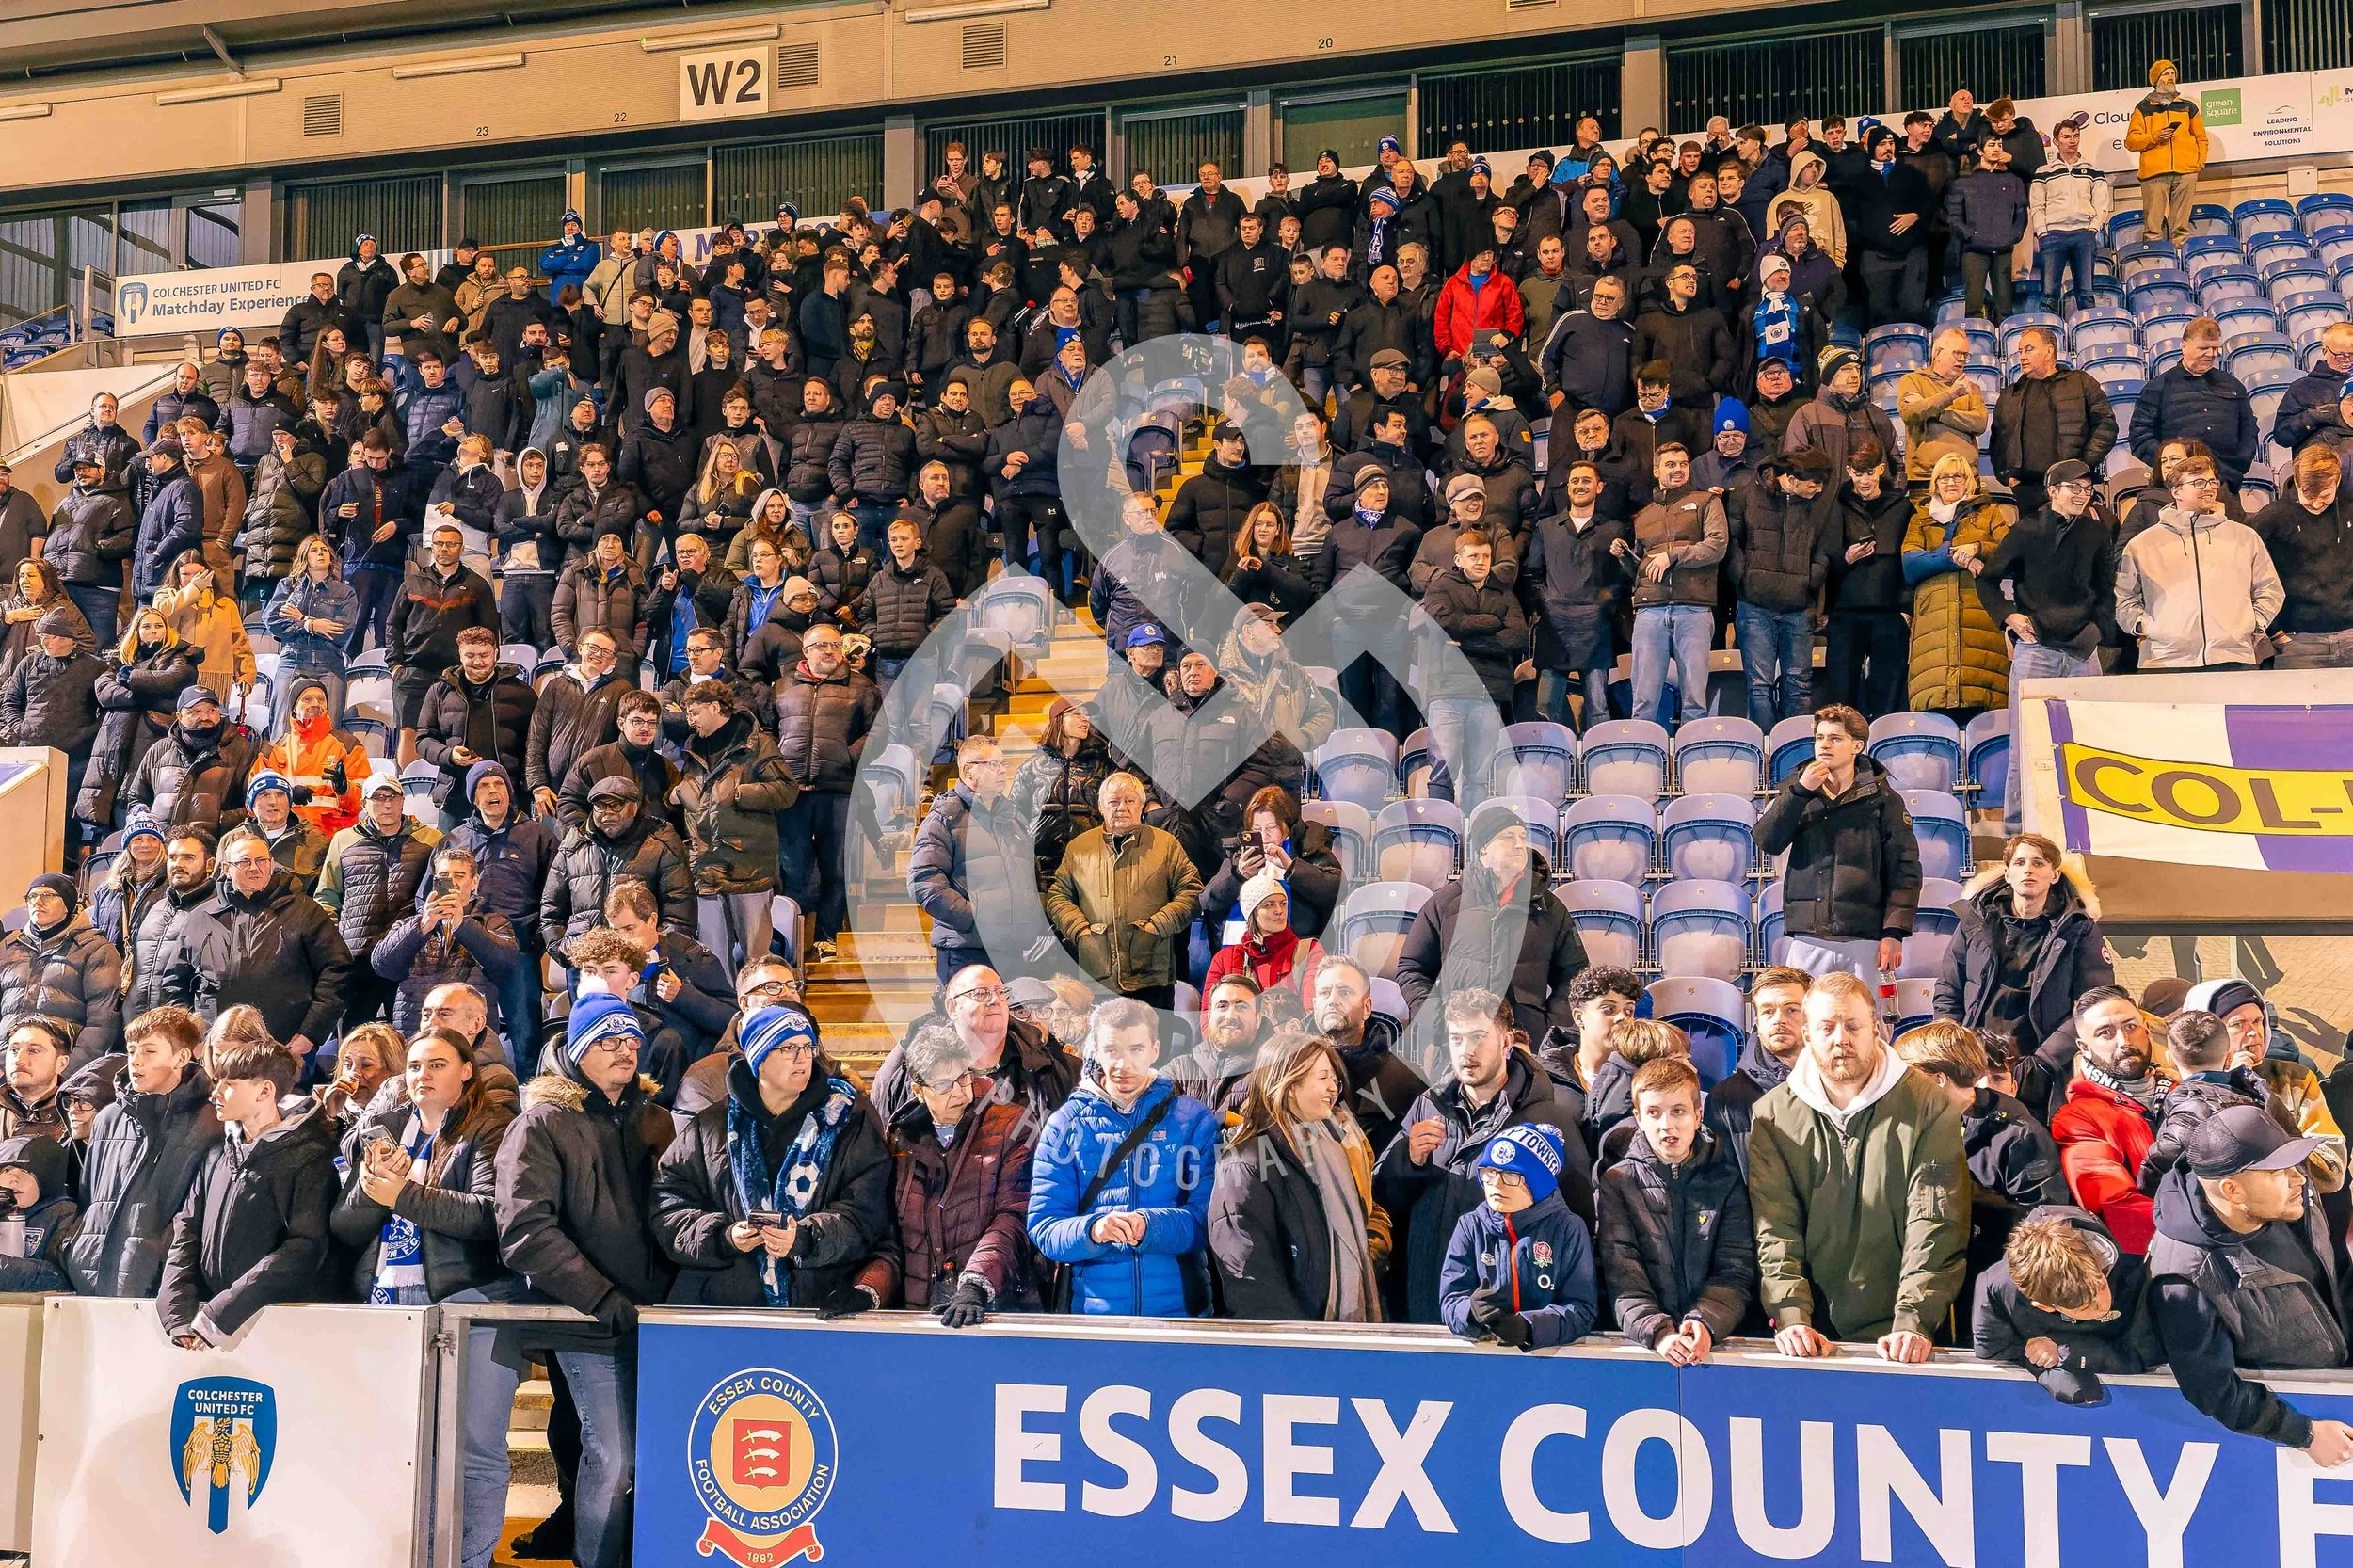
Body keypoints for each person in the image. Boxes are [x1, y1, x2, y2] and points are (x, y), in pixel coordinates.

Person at [494, 989, 678, 1568]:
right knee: (615, 1458)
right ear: (576, 1049)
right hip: (587, 1321)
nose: (625, 1049)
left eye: (631, 1040)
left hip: (660, 1320)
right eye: (608, 1039)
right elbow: (525, 1231)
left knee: (656, 1459)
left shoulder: (655, 1119)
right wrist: (601, 1297)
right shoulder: (540, 1124)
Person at [1748, 969, 1969, 1359]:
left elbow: (1935, 1221)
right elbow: (1775, 1226)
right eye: (1827, 1027)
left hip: (1903, 1333)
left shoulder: (1927, 1105)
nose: (1840, 1039)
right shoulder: (1772, 1114)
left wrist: (1913, 1320)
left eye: (1853, 1026)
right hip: (1810, 1330)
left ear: (1877, 1029)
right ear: (1807, 1036)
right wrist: (1791, 1315)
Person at [652, 1001, 889, 1311]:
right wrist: (724, 1237)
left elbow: (867, 1214)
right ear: (759, 1060)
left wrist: (805, 1238)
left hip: (820, 1306)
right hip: (730, 1311)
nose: (802, 1057)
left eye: (807, 1046)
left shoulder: (849, 1119)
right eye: (787, 1048)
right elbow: (668, 1207)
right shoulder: (710, 1126)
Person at [1376, 988, 1593, 1325]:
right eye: (1457, 1038)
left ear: (1506, 1042)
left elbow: (1577, 1220)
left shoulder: (1547, 1119)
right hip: (1427, 1297)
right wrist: (1409, 1160)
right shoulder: (1428, 1105)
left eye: (1479, 1037)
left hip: (1511, 1313)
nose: (1467, 1051)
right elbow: (1382, 1198)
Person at [2149, 1106, 2353, 1463]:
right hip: (2304, 1418)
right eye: (2280, 1171)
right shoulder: (2182, 1278)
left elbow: (2335, 1275)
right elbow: (2212, 1390)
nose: (2300, 1179)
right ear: (2233, 1190)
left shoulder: (2292, 1201)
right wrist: (2303, 1433)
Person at [1027, 999, 1220, 1316]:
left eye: (1136, 1049)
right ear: (1096, 1052)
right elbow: (1045, 1226)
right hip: (1095, 1316)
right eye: (1112, 1050)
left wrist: (1150, 1225)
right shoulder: (1065, 1124)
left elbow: (1207, 1220)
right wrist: (1092, 1230)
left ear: (1155, 1050)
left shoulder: (1193, 1119)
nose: (1123, 1064)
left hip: (1181, 1313)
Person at [852, 1022, 1038, 1323]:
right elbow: (892, 1239)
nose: (959, 1092)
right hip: (920, 1313)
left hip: (993, 1307)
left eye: (963, 1077)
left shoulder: (1010, 1124)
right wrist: (868, 1288)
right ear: (918, 1090)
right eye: (942, 1085)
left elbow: (1014, 1214)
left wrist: (976, 1282)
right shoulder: (900, 1139)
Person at [157, 1038, 338, 1348]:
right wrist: (178, 1314)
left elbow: (304, 1247)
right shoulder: (217, 1152)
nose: (215, 1093)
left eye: (228, 1084)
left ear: (265, 1091)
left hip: (280, 1330)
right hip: (209, 1324)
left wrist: (224, 1312)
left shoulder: (311, 1156)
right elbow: (187, 1229)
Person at [1969, 460, 2113, 830]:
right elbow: (1987, 581)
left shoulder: (2096, 534)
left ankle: (2088, 829)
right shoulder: (2025, 532)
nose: (2082, 495)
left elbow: (2106, 591)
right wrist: (2008, 616)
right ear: (2053, 491)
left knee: (2090, 744)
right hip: (2037, 651)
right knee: (2024, 746)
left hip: (2084, 651)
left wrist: (2096, 630)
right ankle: (2016, 834)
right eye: (2074, 488)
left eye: (2087, 490)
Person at [1599, 1056, 1756, 1362]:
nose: (1667, 1125)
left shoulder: (1726, 1179)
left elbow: (1735, 1269)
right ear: (1638, 1118)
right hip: (1649, 1347)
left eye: (1679, 1111)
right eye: (1654, 1113)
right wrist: (1657, 1331)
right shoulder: (1618, 1182)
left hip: (1715, 1343)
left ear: (1698, 1116)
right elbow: (1623, 1274)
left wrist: (1705, 1322)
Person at [61, 1005, 221, 1297]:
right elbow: (90, 1198)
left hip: (162, 1286)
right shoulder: (107, 1119)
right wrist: (78, 1251)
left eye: (149, 1052)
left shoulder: (212, 1122)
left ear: (182, 1057)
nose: (136, 1061)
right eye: (132, 1050)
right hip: (92, 1277)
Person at [1755, 704, 1920, 979]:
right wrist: (1799, 793)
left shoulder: (1884, 799)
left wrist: (1894, 933)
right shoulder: (1797, 789)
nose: (1824, 745)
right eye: (1819, 738)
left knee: (1864, 1020)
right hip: (1808, 936)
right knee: (1806, 1020)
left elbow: (1905, 869)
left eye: (1835, 738)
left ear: (1857, 746)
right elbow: (1767, 841)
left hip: (1865, 939)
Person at [1396, 803, 1586, 1041]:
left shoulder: (1549, 907)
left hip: (1528, 1042)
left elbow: (1575, 974)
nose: (1520, 845)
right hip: (1459, 1043)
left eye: (1522, 836)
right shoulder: (1445, 904)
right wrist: (1436, 1021)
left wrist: (1551, 1027)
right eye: (1507, 837)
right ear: (1483, 849)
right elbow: (1412, 968)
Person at [1935, 832, 2114, 1056]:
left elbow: (2094, 1005)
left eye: (2038, 863)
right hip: (1977, 1053)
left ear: (2055, 875)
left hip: (2045, 1060)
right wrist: (1954, 1045)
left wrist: (2045, 1062)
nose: (2028, 869)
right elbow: (1949, 988)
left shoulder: (2079, 929)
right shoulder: (1976, 921)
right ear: (2008, 874)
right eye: (2020, 862)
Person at [669, 679, 796, 979]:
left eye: (694, 712)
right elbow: (692, 794)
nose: (690, 720)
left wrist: (741, 793)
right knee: (712, 961)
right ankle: (724, 1021)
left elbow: (787, 790)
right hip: (706, 870)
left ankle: (760, 1016)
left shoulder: (757, 743)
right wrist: (676, 795)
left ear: (715, 707)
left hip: (748, 870)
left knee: (757, 960)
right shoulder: (692, 750)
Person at [1043, 773, 1202, 1012]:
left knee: (1156, 1046)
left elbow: (1191, 892)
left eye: (1130, 801)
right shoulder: (1079, 847)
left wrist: (1157, 925)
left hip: (1152, 974)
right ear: (1100, 806)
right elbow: (1057, 896)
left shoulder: (1166, 844)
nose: (1122, 808)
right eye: (1114, 801)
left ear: (1142, 805)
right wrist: (1080, 931)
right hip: (1096, 977)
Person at [1972, 1207, 2161, 1406]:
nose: (2103, 1304)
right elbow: (1992, 1351)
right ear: (2046, 1307)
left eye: (2100, 1284)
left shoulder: (2138, 1268)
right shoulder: (1997, 1290)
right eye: (2086, 1306)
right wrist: (2036, 1357)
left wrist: (2064, 1352)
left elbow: (2146, 1353)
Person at [867, 963, 1080, 1138]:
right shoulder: (920, 1067)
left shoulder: (1051, 1067)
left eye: (1001, 992)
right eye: (980, 993)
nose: (994, 999)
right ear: (952, 1007)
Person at [2115, 452, 2283, 670]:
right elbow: (2124, 599)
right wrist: (2146, 626)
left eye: (2212, 481)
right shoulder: (2143, 544)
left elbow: (2270, 590)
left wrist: (2252, 624)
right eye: (2199, 482)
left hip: (2234, 658)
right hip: (2165, 660)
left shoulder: (2245, 537)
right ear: (2176, 491)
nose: (2209, 488)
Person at [773, 621, 878, 966]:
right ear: (805, 651)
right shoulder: (783, 687)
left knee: (838, 868)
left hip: (841, 790)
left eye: (835, 645)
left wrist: (847, 757)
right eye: (821, 645)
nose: (830, 651)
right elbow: (766, 728)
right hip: (793, 793)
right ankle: (793, 942)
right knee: (797, 869)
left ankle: (827, 935)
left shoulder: (862, 687)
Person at [1438, 1122, 1597, 1350]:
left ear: (1538, 1183)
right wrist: (1470, 1311)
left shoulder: (1568, 1228)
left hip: (1550, 1363)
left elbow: (1581, 1309)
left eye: (1511, 1176)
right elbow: (1450, 1300)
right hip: (1482, 1361)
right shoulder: (1470, 1226)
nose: (1496, 1185)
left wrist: (1529, 1327)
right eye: (1489, 1173)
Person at [2183, 977, 2350, 1192]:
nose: (2254, 1032)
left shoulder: (2294, 1079)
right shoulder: (2190, 1091)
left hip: (2297, 1214)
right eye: (2237, 1024)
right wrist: (2230, 1085)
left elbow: (2331, 1170)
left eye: (2257, 1021)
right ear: (2208, 1035)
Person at [203, 825, 354, 1057]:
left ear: (272, 864)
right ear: (225, 868)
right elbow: (177, 982)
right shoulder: (202, 918)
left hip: (287, 1050)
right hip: (218, 1051)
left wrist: (311, 1033)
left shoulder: (305, 911)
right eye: (244, 862)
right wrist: (195, 1039)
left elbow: (338, 970)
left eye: (261, 861)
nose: (254, 868)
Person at [2050, 985, 2173, 1255]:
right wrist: (2212, 1225)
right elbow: (2115, 1207)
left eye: (2131, 1027)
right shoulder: (2078, 1118)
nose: (2123, 1041)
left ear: (2147, 1031)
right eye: (2105, 1033)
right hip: (2150, 1268)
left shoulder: (2181, 1091)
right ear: (2085, 1047)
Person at [540, 774, 692, 970]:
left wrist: (655, 956)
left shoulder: (661, 842)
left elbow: (679, 910)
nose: (607, 813)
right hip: (585, 964)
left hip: (641, 964)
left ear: (635, 807)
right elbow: (551, 908)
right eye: (600, 806)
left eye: (616, 805)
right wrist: (566, 952)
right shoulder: (574, 843)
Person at [908, 735, 1027, 985]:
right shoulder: (944, 819)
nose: (1002, 771)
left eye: (1003, 764)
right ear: (967, 770)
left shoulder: (1011, 817)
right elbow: (924, 881)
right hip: (966, 949)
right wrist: (975, 917)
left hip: (1013, 948)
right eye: (992, 765)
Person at [371, 842, 524, 1034]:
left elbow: (509, 967)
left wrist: (463, 925)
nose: (451, 882)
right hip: (415, 1030)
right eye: (444, 877)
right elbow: (382, 966)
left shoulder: (493, 923)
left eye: (459, 876)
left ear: (475, 882)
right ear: (434, 881)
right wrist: (421, 927)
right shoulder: (411, 924)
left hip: (469, 1033)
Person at [1621, 442, 1725, 727]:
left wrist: (1673, 556)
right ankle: (1641, 760)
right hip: (1649, 609)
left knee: (1695, 700)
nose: (1677, 469)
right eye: (1670, 464)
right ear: (1656, 471)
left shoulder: (1707, 502)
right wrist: (1624, 558)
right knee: (1643, 700)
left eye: (1682, 463)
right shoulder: (1643, 517)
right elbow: (1641, 569)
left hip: (1694, 607)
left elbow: (1716, 547)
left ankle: (1695, 761)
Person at [1992, 328, 2116, 518]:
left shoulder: (2081, 383)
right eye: (2020, 351)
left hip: (2071, 485)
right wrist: (2006, 476)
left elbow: (2106, 426)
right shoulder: (2010, 394)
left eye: (2029, 349)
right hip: (2026, 492)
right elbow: (1997, 440)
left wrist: (2081, 466)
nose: (2022, 357)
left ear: (2049, 351)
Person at [0, 872, 121, 1063]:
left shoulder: (95, 949)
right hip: (7, 1061)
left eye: (48, 895)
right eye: (32, 896)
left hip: (60, 1063)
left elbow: (102, 1023)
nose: (37, 902)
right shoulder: (8, 946)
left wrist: (67, 1071)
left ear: (68, 904)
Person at [415, 628, 537, 812]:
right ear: (460, 655)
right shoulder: (439, 692)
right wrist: (449, 755)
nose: (478, 662)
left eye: (484, 655)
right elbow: (423, 740)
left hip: (509, 797)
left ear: (496, 653)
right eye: (470, 655)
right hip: (455, 796)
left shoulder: (522, 693)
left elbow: (536, 743)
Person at [2254, 445, 2353, 669]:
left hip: (2349, 632)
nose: (2317, 502)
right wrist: (2275, 632)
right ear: (2296, 482)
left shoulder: (2350, 510)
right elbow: (2250, 579)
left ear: (2337, 481)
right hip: (2296, 640)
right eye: (2308, 493)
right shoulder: (2271, 520)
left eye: (2325, 495)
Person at [2132, 317, 2257, 488]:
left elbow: (2249, 429)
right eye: (2203, 348)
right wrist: (2172, 463)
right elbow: (2139, 436)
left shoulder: (2233, 385)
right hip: (2176, 485)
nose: (2211, 354)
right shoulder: (2158, 387)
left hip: (2225, 482)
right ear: (2184, 346)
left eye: (2215, 348)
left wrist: (2240, 462)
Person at [525, 628, 628, 823]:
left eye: (606, 652)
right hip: (552, 794)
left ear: (613, 660)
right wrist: (538, 784)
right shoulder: (556, 686)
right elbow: (536, 737)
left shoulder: (621, 690)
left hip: (595, 795)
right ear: (580, 649)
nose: (598, 654)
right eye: (593, 647)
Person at [2124, 59, 2209, 246]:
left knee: (2181, 229)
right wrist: (2155, 137)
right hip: (2154, 174)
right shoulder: (2143, 108)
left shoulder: (2188, 107)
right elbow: (2131, 142)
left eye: (2172, 73)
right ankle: (2156, 263)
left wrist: (2198, 162)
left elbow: (2201, 138)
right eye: (2165, 74)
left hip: (2186, 172)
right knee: (2153, 229)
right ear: (2156, 79)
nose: (2171, 77)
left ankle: (2181, 263)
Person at [0, 1135, 77, 1290]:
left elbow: (62, 1279)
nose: (14, 1179)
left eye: (25, 1171)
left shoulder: (64, 1215)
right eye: (7, 1170)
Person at [0, 1016, 72, 1141]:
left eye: (33, 1051)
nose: (19, 1060)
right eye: (14, 1050)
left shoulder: (77, 1113)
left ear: (61, 1063)